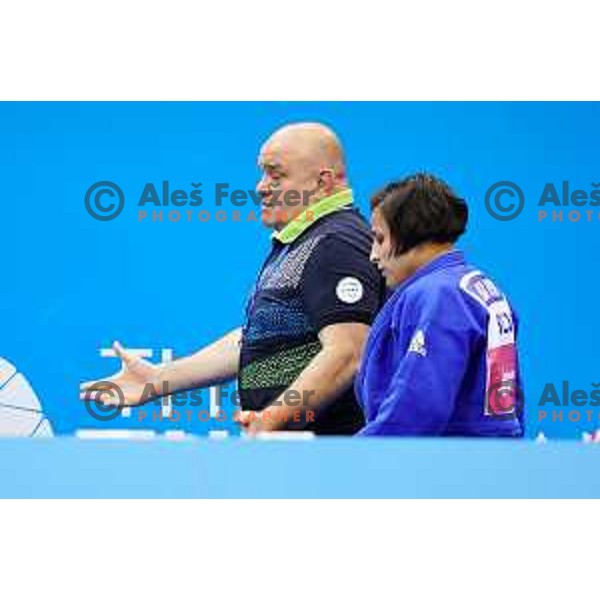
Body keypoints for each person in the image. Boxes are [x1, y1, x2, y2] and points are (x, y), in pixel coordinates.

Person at [81, 123, 384, 435]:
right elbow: (256, 339)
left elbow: (348, 352)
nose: (261, 187)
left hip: (326, 455)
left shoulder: (336, 242)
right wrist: (160, 379)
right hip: (295, 449)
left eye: (276, 175)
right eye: (262, 173)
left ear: (322, 183)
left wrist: (272, 418)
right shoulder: (303, 242)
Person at [355, 173, 523, 436]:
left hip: (443, 466)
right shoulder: (477, 286)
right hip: (484, 458)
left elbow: (416, 409)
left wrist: (354, 457)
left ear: (411, 231)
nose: (373, 255)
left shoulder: (438, 295)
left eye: (379, 239)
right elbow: (512, 402)